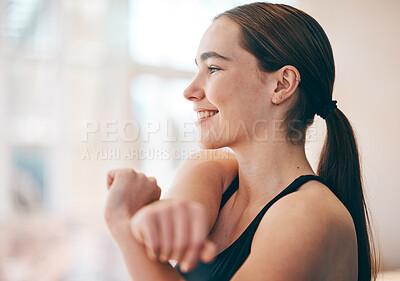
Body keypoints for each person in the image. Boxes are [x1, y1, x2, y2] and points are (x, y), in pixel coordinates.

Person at [104, 2, 377, 281]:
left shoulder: (309, 215)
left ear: (282, 84)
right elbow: (171, 223)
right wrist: (147, 223)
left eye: (213, 68)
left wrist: (123, 224)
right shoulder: (212, 172)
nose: (189, 91)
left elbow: (144, 237)